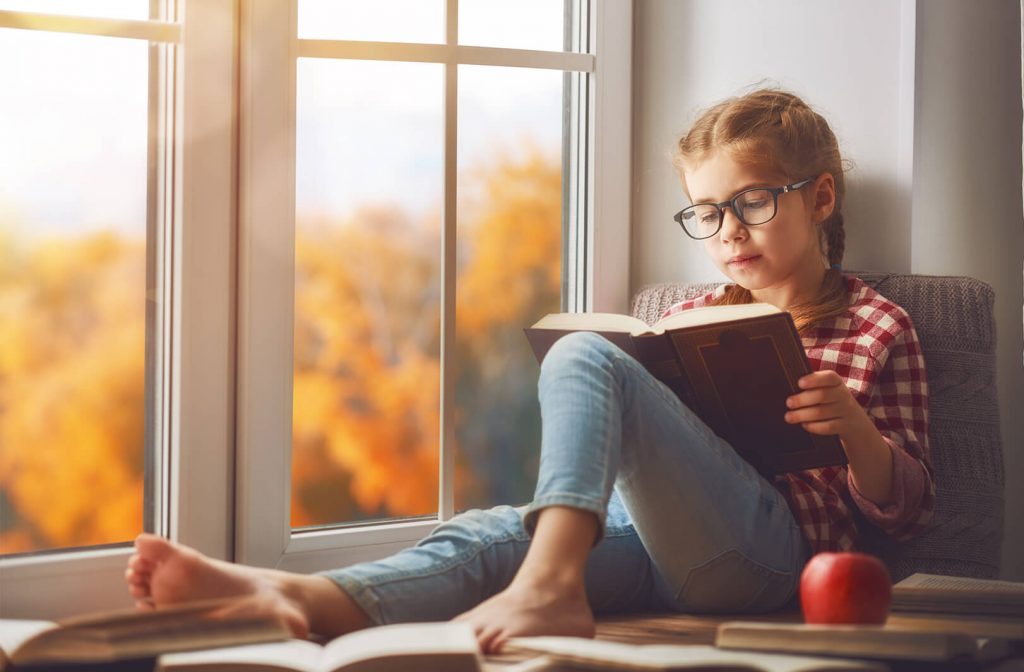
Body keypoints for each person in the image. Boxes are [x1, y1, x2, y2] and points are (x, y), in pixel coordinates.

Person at [125, 88, 935, 654]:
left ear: (821, 198)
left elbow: (907, 510)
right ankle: (291, 598)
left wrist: (857, 434)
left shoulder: (874, 325)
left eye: (753, 202)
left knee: (587, 354)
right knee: (485, 538)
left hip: (771, 556)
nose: (728, 231)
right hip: (657, 545)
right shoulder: (689, 317)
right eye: (707, 212)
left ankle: (550, 588)